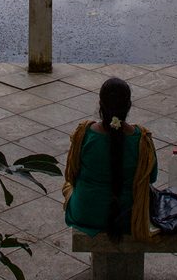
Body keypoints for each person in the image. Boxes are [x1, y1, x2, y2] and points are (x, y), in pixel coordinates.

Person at [63, 77, 158, 240]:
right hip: (128, 217)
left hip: (85, 214)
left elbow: (72, 173)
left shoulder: (84, 134)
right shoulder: (142, 140)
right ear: (129, 105)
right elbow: (152, 178)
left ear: (100, 104)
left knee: (68, 186)